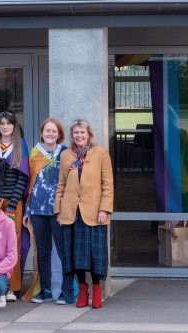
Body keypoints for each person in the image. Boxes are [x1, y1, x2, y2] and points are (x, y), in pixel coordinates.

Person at [54, 119, 114, 309]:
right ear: (72, 135)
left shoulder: (101, 153)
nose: (79, 136)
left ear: (89, 134)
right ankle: (83, 290)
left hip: (94, 212)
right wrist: (58, 210)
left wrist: (104, 208)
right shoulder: (65, 155)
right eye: (76, 133)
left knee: (95, 254)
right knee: (75, 255)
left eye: (82, 132)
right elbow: (61, 185)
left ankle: (97, 289)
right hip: (71, 212)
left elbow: (108, 185)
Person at [22, 118, 75, 304]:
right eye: (47, 131)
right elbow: (31, 183)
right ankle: (44, 290)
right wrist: (28, 210)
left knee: (63, 251)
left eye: (54, 131)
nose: (50, 134)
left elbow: (71, 181)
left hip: (58, 210)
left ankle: (65, 291)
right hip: (37, 208)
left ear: (59, 134)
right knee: (43, 252)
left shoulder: (66, 153)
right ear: (41, 133)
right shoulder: (35, 153)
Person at [0, 110, 29, 301]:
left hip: (13, 204)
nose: (5, 127)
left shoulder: (21, 147)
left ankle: (12, 287)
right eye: (1, 124)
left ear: (14, 126)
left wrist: (12, 205)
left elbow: (22, 180)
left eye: (8, 123)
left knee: (13, 244)